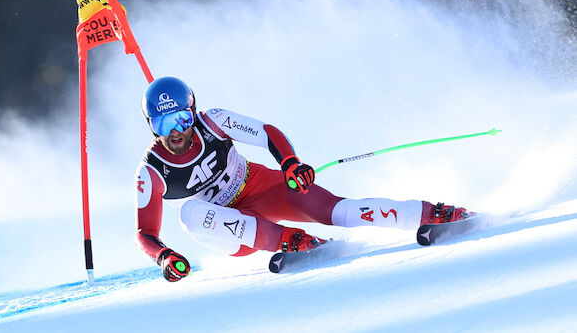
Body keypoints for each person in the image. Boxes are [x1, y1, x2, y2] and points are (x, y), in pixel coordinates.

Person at [135, 77, 471, 282]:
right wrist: (165, 257)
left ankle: (435, 214)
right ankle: (293, 241)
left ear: (193, 113)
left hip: (259, 187)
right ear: (151, 126)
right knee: (189, 214)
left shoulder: (215, 121)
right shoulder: (151, 170)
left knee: (336, 210)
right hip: (226, 229)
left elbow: (266, 133)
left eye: (181, 118)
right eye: (164, 124)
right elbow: (145, 234)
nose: (176, 131)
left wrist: (290, 164)